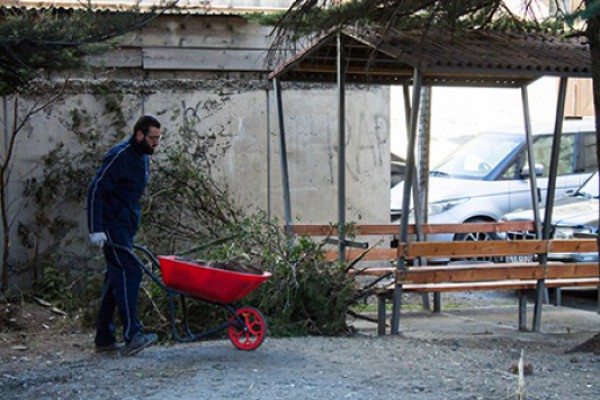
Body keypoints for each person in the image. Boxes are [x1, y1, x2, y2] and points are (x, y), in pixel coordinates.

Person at [87, 115, 162, 356]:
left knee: (115, 277)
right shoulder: (119, 156)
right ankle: (133, 335)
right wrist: (95, 228)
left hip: (125, 226)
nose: (156, 143)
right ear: (139, 135)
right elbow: (96, 188)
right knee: (130, 271)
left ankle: (104, 338)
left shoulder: (142, 158)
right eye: (153, 138)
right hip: (110, 226)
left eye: (159, 139)